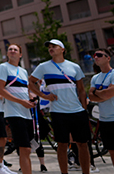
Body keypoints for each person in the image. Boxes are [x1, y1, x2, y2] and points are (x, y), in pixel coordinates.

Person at [29, 39, 90, 174]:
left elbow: (81, 89)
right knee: (62, 145)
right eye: (49, 47)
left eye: (54, 46)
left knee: (82, 144)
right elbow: (30, 82)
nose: (51, 49)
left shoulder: (74, 67)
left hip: (78, 111)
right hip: (58, 112)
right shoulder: (43, 67)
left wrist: (84, 109)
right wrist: (44, 96)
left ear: (62, 49)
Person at [0, 44, 35, 174]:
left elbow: (26, 90)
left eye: (15, 49)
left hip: (27, 113)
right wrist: (21, 102)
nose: (12, 51)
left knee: (27, 149)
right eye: (10, 49)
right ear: (7, 54)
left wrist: (31, 98)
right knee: (25, 149)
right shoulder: (3, 67)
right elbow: (0, 90)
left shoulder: (23, 71)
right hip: (14, 112)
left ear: (20, 54)